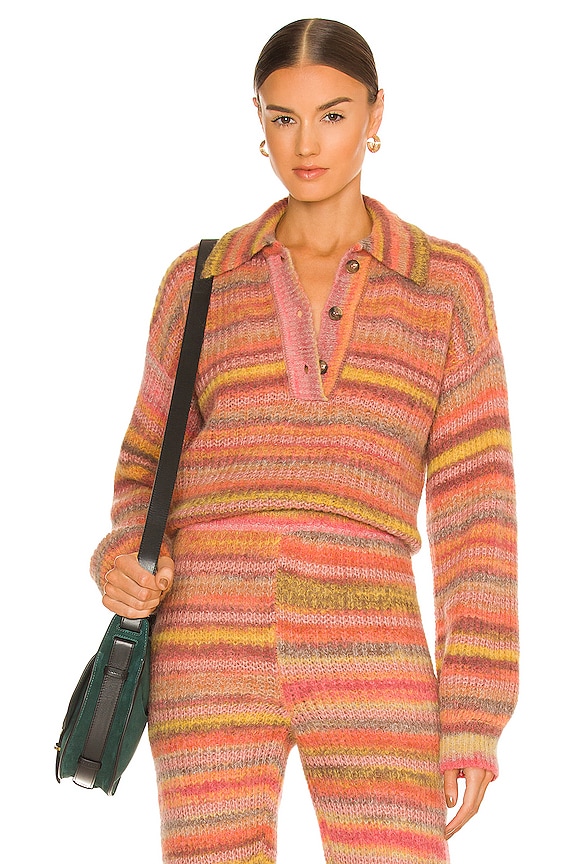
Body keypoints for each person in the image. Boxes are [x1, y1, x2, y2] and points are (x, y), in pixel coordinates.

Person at [92, 18, 518, 864]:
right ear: (258, 120)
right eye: (283, 117)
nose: (307, 144)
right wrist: (124, 553)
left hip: (370, 622)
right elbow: (144, 465)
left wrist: (475, 708)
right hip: (207, 625)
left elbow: (478, 509)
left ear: (376, 113)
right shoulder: (200, 279)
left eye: (333, 114)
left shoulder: (444, 285)